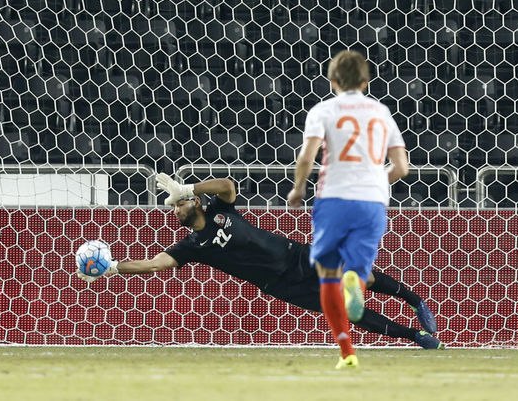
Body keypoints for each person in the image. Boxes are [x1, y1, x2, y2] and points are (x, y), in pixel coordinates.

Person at [78, 174, 441, 352]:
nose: (175, 209)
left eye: (179, 203)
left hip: (295, 254)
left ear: (195, 203)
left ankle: (415, 301)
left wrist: (190, 188)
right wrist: (113, 267)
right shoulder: (192, 246)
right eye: (173, 207)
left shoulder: (219, 208)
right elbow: (154, 264)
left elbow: (227, 184)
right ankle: (415, 336)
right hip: (280, 285)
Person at [287, 50, 410, 369]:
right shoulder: (381, 112)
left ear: (333, 81)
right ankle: (355, 276)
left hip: (334, 198)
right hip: (372, 201)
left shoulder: (323, 110)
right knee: (356, 269)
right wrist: (376, 181)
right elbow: (401, 167)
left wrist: (298, 188)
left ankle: (347, 352)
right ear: (365, 82)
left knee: (328, 274)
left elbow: (307, 157)